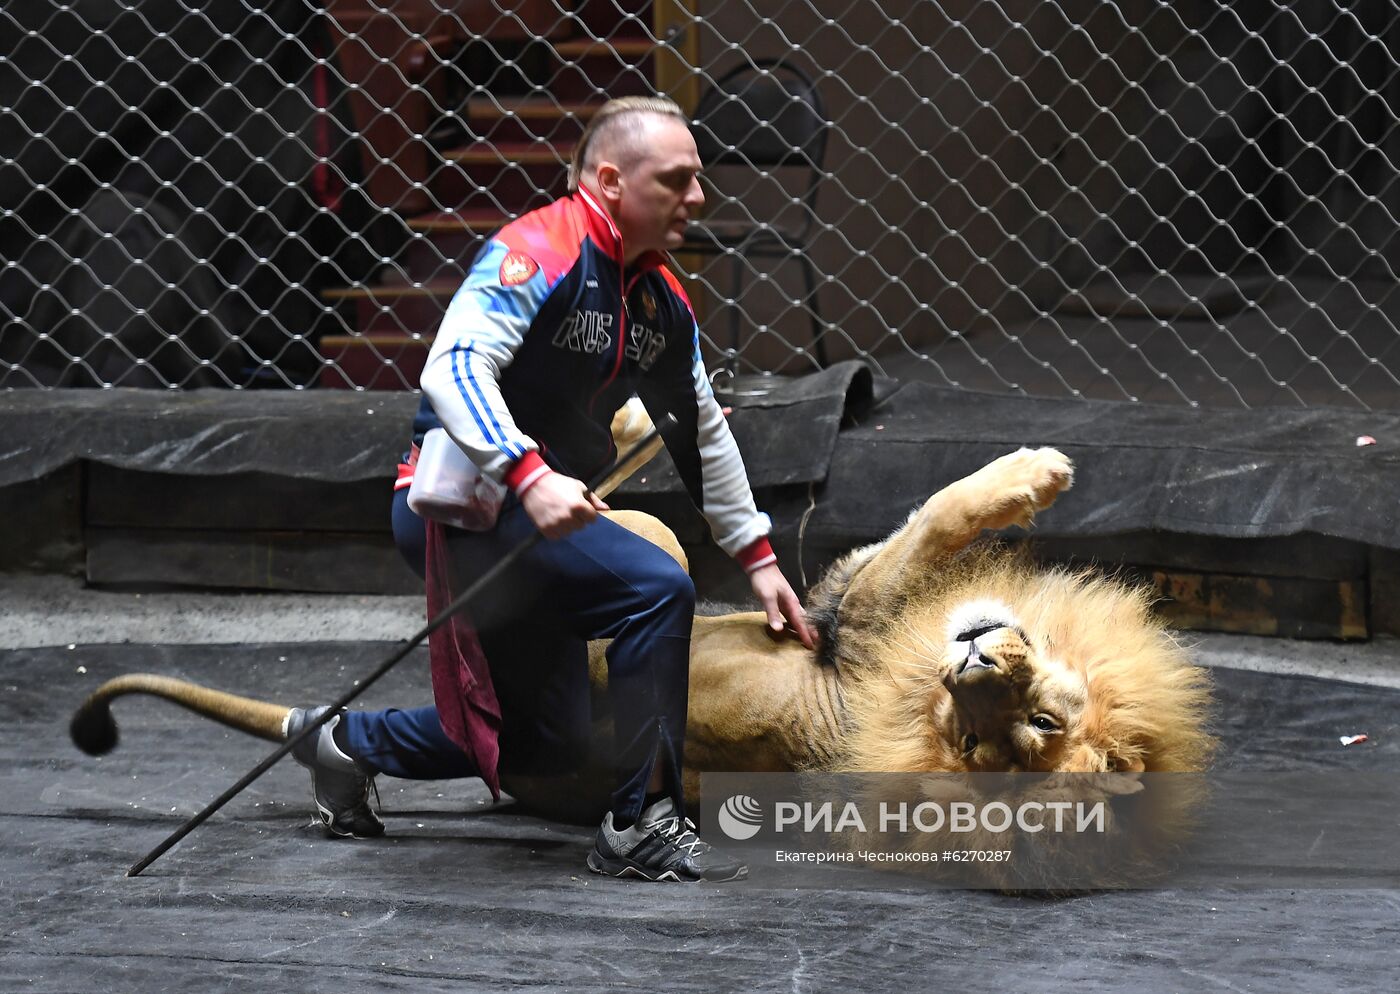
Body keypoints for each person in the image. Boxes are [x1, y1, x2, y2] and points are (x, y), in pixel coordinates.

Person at [288, 96, 815, 883]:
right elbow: (453, 367)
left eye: (698, 180)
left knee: (546, 743)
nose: (698, 199)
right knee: (653, 588)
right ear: (610, 180)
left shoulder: (658, 298)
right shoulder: (538, 248)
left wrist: (759, 557)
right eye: (676, 180)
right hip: (467, 509)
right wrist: (527, 473)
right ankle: (642, 825)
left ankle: (343, 743)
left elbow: (697, 423)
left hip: (538, 515)